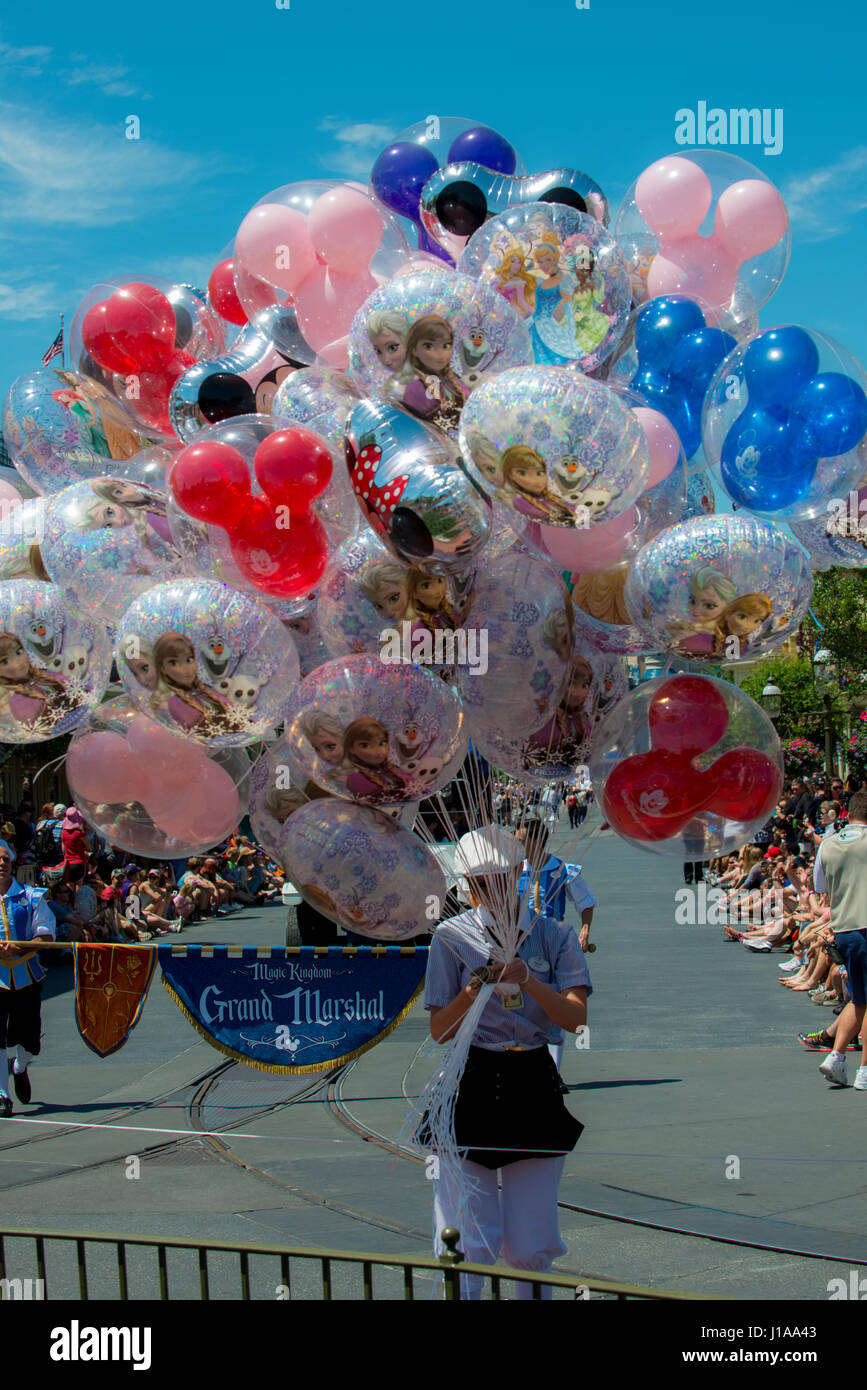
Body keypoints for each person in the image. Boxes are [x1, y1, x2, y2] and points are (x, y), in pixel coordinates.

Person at [424, 824, 590, 1298]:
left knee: (531, 1237)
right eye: (478, 883)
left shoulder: (555, 935)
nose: (488, 891)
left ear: (519, 874)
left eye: (498, 878)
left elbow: (576, 1020)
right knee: (464, 1235)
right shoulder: (450, 937)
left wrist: (531, 982)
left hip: (532, 1081)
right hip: (471, 1080)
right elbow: (441, 1030)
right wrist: (475, 989)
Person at [814, 790, 867, 1090]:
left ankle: (836, 1056)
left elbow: (820, 885)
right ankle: (864, 1071)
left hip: (845, 927)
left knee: (860, 999)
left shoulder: (829, 844)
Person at [0, 837, 55, 1115]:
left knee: (31, 1039)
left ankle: (20, 1065)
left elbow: (45, 934)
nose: (1, 865)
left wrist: (18, 947)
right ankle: (2, 1094)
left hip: (27, 976)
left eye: (5, 860)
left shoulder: (31, 896)